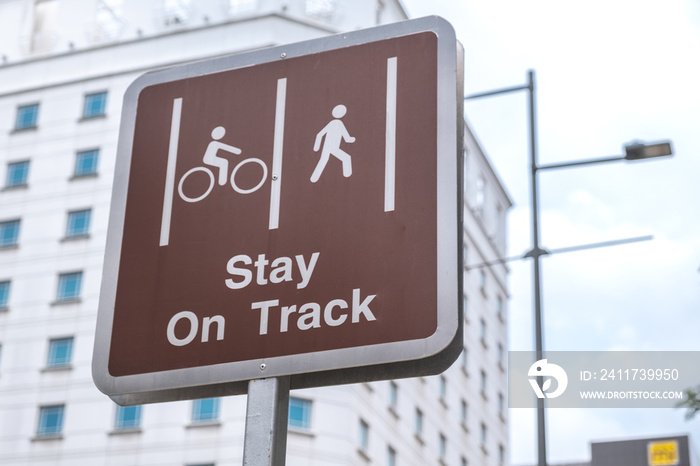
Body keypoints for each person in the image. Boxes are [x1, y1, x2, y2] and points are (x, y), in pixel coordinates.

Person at [311, 105, 355, 182]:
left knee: (323, 160)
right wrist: (352, 139)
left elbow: (319, 135)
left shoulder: (333, 123)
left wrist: (316, 148)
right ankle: (347, 175)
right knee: (345, 158)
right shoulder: (338, 123)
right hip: (332, 147)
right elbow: (346, 138)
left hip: (330, 147)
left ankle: (314, 178)